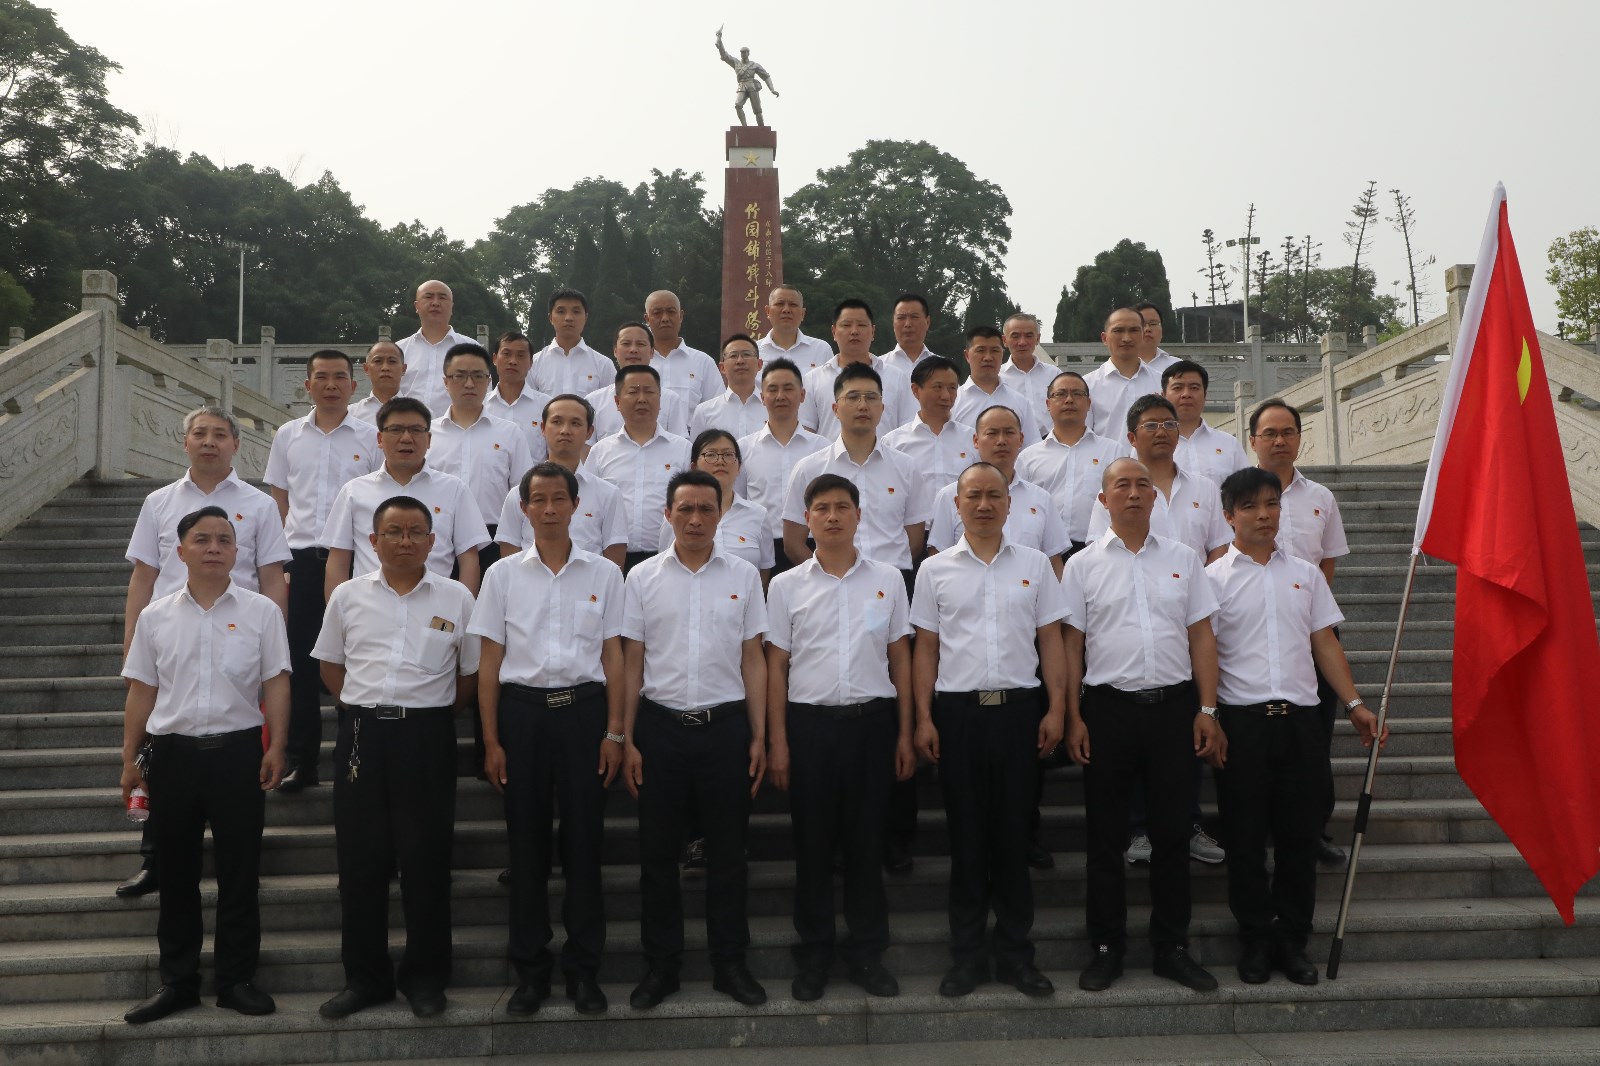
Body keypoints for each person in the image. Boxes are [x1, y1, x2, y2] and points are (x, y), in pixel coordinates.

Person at [1206, 467, 1386, 987]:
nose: (1264, 515)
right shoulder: (1211, 579)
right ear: (1228, 516)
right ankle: (1255, 939)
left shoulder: (1306, 574)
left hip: (1301, 723)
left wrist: (1354, 703)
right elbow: (1205, 652)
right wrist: (1209, 714)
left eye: (1272, 504)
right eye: (1250, 507)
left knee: (1298, 838)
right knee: (1244, 839)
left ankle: (1292, 940)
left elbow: (1324, 642)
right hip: (1242, 725)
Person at [118, 505, 291, 1023]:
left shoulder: (262, 612)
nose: (214, 547)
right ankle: (178, 982)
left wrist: (277, 746)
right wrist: (130, 758)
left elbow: (277, 682)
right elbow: (142, 691)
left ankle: (236, 981)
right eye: (202, 539)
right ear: (181, 551)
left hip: (238, 755)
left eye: (224, 539)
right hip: (173, 756)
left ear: (237, 552)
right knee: (175, 875)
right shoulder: (155, 617)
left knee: (240, 873)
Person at [1062, 457, 1226, 994]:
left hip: (1174, 710)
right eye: (1121, 486)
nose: (1133, 493)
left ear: (1155, 497)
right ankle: (1106, 947)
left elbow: (1201, 636)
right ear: (1103, 499)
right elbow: (1071, 646)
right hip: (1107, 711)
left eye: (1142, 485)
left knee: (1173, 834)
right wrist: (1073, 716)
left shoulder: (1183, 559)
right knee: (1105, 838)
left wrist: (1207, 710)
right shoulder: (1082, 565)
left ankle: (1171, 947)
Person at [312, 495, 480, 1020]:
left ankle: (426, 978)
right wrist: (361, 709)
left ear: (432, 542)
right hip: (363, 734)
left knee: (426, 859)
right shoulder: (347, 596)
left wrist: (428, 714)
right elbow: (330, 666)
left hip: (427, 736)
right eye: (394, 532)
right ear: (373, 540)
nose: (405, 541)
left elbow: (469, 675)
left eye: (415, 532)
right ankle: (365, 979)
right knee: (360, 862)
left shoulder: (456, 598)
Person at [117, 407, 291, 896]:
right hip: (170, 635)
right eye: (200, 433)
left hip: (239, 633)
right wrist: (132, 641)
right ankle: (156, 860)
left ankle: (238, 861)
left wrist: (272, 638)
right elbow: (144, 576)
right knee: (160, 747)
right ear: (185, 442)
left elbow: (272, 575)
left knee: (235, 745)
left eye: (219, 434)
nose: (209, 441)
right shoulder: (158, 502)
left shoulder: (259, 505)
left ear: (236, 444)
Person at [472, 463, 626, 1017]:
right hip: (523, 717)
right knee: (527, 847)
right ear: (524, 509)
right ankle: (531, 973)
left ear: (577, 505)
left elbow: (614, 657)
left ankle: (584, 971)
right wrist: (491, 741)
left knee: (585, 845)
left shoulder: (604, 574)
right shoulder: (502, 576)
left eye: (560, 498)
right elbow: (490, 661)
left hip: (584, 716)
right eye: (539, 500)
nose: (550, 509)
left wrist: (615, 731)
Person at [911, 462, 1069, 999]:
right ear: (956, 505)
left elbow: (1051, 640)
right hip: (958, 716)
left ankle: (1017, 955)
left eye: (993, 496)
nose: (983, 505)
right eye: (972, 496)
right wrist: (924, 717)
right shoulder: (934, 570)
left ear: (1009, 504)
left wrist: (1057, 709)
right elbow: (926, 648)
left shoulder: (1035, 565)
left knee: (1012, 837)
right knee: (967, 839)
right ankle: (967, 957)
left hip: (1020, 713)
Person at [620, 470, 769, 1009]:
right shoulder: (642, 578)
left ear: (721, 514)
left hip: (725, 728)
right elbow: (632, 661)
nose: (696, 519)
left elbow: (753, 658)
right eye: (685, 509)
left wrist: (759, 734)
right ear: (667, 515)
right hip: (660, 729)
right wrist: (627, 737)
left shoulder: (744, 575)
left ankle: (730, 964)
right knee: (657, 857)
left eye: (706, 509)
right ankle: (662, 966)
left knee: (728, 855)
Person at [766, 473, 914, 1001]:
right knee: (812, 846)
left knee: (866, 844)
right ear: (807, 518)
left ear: (858, 515)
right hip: (809, 728)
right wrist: (778, 742)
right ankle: (814, 955)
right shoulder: (785, 586)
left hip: (872, 725)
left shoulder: (888, 578)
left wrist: (905, 733)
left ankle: (867, 953)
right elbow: (776, 666)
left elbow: (900, 658)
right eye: (822, 508)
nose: (832, 516)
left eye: (842, 507)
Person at [1087, 394, 1230, 866]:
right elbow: (1101, 551)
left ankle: (1187, 824)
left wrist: (1193, 594)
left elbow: (1219, 549)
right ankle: (1137, 829)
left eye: (1169, 423)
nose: (1162, 431)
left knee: (1180, 744)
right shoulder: (1114, 488)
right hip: (1126, 617)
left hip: (1182, 606)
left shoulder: (1203, 487)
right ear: (1132, 435)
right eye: (1151, 425)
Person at [264, 353, 379, 794]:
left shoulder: (371, 436)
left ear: (354, 386)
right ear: (308, 384)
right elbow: (279, 501)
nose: (331, 385)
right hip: (301, 562)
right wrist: (280, 563)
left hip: (354, 561)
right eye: (322, 377)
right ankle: (302, 760)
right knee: (301, 662)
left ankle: (355, 754)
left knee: (356, 656)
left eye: (340, 377)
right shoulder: (288, 435)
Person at [1249, 397, 1352, 866]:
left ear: (1299, 438)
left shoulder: (1321, 498)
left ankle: (1314, 828)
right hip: (1252, 632)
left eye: (1287, 432)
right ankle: (1256, 826)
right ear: (1253, 440)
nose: (1279, 441)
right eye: (1269, 433)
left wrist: (1309, 613)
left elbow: (1327, 561)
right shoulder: (1234, 494)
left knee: (1314, 734)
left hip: (1311, 630)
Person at [321, 397, 490, 598]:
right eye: (396, 430)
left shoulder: (454, 489)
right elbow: (338, 561)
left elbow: (469, 559)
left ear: (429, 439)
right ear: (380, 439)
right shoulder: (354, 491)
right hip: (369, 606)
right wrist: (339, 610)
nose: (406, 438)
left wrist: (462, 610)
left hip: (435, 607)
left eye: (416, 430)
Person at [783, 363, 930, 579]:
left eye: (871, 397)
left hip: (892, 582)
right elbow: (793, 543)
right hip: (829, 583)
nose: (863, 405)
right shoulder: (809, 469)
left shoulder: (907, 467)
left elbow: (915, 541)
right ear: (835, 409)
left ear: (882, 408)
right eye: (852, 397)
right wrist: (825, 578)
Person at [426, 342, 534, 575]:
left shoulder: (510, 433)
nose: (469, 384)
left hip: (494, 539)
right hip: (437, 538)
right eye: (459, 376)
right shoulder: (427, 434)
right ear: (445, 381)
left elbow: (522, 493)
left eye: (477, 376)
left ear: (488, 381)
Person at [927, 405, 1069, 580]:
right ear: (976, 440)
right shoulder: (950, 496)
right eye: (992, 433)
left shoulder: (1041, 499)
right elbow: (937, 561)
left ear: (1021, 439)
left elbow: (1054, 563)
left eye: (1009, 433)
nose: (1001, 441)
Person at [494, 394, 627, 567]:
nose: (565, 430)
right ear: (543, 428)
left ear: (589, 432)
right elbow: (509, 559)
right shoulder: (518, 494)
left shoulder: (608, 494)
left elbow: (614, 562)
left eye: (575, 423)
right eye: (557, 422)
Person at [583, 364, 691, 572]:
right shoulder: (600, 452)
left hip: (668, 561)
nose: (642, 399)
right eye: (633, 392)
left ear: (660, 400)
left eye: (649, 392)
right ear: (617, 402)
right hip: (613, 561)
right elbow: (589, 506)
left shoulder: (683, 449)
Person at [1017, 371, 1128, 557]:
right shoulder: (1028, 457)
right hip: (1044, 554)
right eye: (1060, 394)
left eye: (1077, 394)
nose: (1069, 400)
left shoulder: (1113, 452)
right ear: (1048, 404)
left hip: (1099, 552)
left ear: (1089, 403)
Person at [738, 358, 827, 575]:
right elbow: (739, 503)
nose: (780, 396)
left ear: (802, 395)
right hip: (762, 550)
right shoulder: (743, 449)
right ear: (762, 397)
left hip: (812, 547)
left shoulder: (824, 448)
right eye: (772, 389)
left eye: (788, 388)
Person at [659, 430, 774, 580]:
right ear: (694, 466)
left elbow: (764, 572)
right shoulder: (678, 515)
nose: (720, 461)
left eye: (728, 455)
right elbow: (666, 565)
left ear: (739, 467)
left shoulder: (758, 515)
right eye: (711, 455)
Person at [798, 299, 913, 439]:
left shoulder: (896, 377)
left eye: (862, 325)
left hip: (884, 453)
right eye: (846, 325)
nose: (854, 331)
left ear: (873, 331)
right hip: (830, 453)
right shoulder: (813, 379)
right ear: (834, 332)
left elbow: (907, 429)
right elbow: (807, 432)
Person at [881, 355, 975, 490]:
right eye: (938, 387)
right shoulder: (892, 443)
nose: (946, 396)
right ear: (916, 390)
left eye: (952, 388)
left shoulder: (972, 439)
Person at [589, 322, 691, 439]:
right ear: (615, 351)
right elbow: (586, 447)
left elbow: (680, 444)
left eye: (640, 344)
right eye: (626, 344)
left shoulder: (670, 399)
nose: (633, 350)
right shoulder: (594, 401)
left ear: (652, 352)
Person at [396, 280, 474, 418]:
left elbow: (483, 394)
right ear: (416, 306)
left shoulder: (472, 349)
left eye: (442, 298)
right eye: (428, 297)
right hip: (406, 427)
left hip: (456, 428)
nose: (436, 303)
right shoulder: (398, 350)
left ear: (452, 307)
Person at [1164, 360, 1249, 486]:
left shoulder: (1229, 444)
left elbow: (1247, 490)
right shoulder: (1150, 445)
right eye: (1178, 388)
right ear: (1163, 396)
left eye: (1194, 388)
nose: (1186, 394)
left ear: (1205, 395)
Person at [1084, 308, 1163, 441]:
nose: (1126, 338)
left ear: (1143, 335)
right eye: (1118, 330)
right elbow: (1084, 436)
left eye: (1134, 330)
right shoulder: (1087, 386)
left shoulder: (1162, 382)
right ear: (1104, 338)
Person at [952, 326, 1044, 440]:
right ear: (967, 355)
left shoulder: (1020, 402)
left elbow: (1032, 445)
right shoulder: (954, 401)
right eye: (980, 350)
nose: (988, 358)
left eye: (994, 351)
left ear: (1002, 354)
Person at [529, 288, 616, 397]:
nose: (569, 318)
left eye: (576, 312)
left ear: (586, 317)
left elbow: (612, 403)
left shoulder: (603, 365)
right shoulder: (533, 364)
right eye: (561, 311)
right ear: (550, 318)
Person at [485, 331, 552, 462]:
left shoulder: (547, 406)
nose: (513, 361)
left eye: (521, 356)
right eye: (506, 354)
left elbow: (554, 453)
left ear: (531, 363)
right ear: (494, 359)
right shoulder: (480, 406)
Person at [647, 290, 721, 408]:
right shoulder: (638, 362)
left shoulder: (703, 362)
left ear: (680, 316)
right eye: (657, 313)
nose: (665, 318)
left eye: (671, 311)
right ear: (647, 319)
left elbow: (717, 409)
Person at [691, 334, 767, 439]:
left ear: (759, 364)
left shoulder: (772, 408)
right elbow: (697, 449)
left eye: (746, 354)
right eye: (733, 356)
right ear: (722, 367)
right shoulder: (704, 412)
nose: (740, 361)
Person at [999, 312, 1056, 433]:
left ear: (1037, 339)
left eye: (1029, 336)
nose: (1022, 342)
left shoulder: (1054, 375)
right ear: (1004, 340)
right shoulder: (997, 377)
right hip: (1011, 442)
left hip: (1050, 441)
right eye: (1015, 336)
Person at [756, 285, 833, 373]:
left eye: (793, 305)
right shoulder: (754, 352)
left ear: (802, 313)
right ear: (768, 311)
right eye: (780, 304)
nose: (786, 310)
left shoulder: (821, 349)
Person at [715, 28, 779, 126]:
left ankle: (761, 128)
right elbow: (724, 55)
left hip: (752, 86)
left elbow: (766, 76)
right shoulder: (736, 63)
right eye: (742, 52)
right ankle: (744, 127)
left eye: (745, 52)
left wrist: (772, 89)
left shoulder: (754, 65)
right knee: (738, 105)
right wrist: (719, 39)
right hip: (742, 86)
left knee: (757, 110)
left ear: (748, 53)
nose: (743, 54)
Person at [349, 341, 405, 425]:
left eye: (392, 361)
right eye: (378, 361)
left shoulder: (418, 413)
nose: (385, 368)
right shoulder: (351, 414)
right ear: (366, 368)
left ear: (403, 369)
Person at [1136, 301, 1179, 374]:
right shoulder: (1119, 366)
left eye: (1153, 324)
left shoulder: (1177, 366)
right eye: (1142, 324)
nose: (1147, 329)